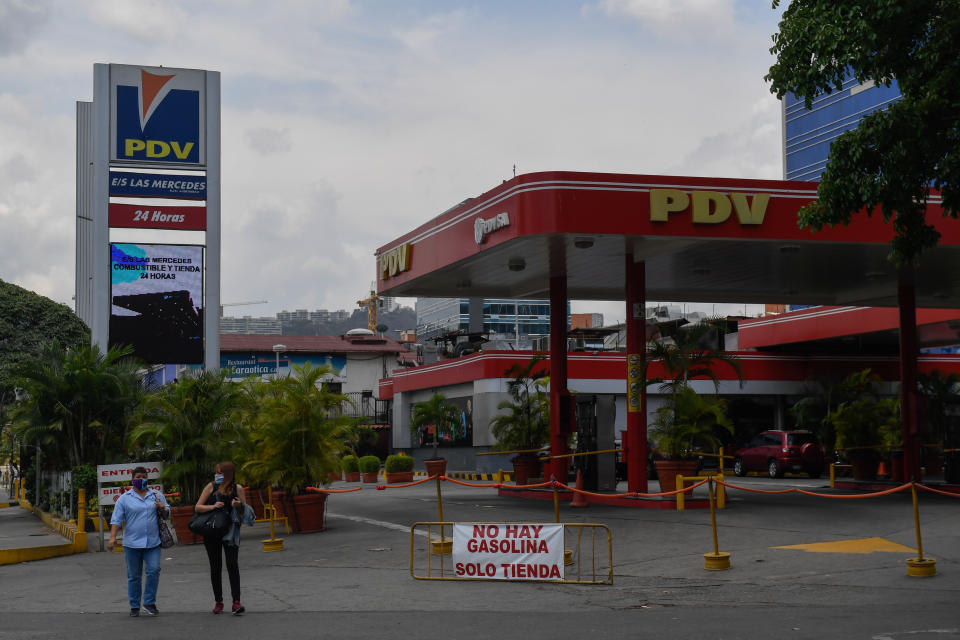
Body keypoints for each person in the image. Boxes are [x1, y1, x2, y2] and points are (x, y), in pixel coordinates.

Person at [107, 466, 170, 617]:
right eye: (137, 477)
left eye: (143, 476)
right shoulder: (125, 498)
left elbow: (167, 513)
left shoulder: (156, 495)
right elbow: (116, 519)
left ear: (147, 479)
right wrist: (112, 537)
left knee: (154, 570)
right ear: (132, 480)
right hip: (132, 544)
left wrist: (163, 508)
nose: (141, 479)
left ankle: (149, 603)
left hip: (153, 542)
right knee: (134, 576)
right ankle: (134, 605)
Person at [196, 461, 247, 615]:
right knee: (215, 566)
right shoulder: (211, 487)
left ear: (229, 474)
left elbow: (245, 513)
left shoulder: (238, 488)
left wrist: (238, 506)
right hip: (212, 532)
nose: (217, 476)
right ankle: (219, 601)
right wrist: (213, 506)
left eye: (220, 473)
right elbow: (198, 506)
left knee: (232, 565)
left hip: (230, 532)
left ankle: (236, 602)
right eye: (216, 473)